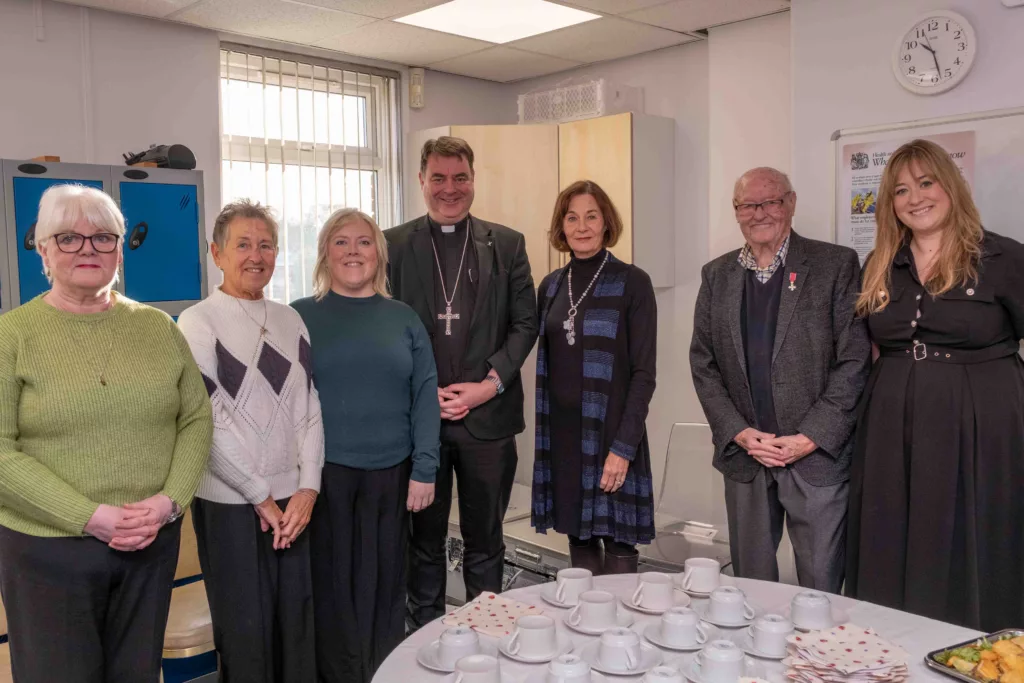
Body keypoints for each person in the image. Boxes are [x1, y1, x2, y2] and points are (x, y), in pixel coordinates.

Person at [0, 184, 212, 683]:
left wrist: (169, 503)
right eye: (68, 238)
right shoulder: (12, 335)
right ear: (43, 251)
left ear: (120, 248)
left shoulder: (159, 327)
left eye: (103, 237)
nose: (88, 249)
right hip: (50, 553)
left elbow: (196, 419)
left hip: (149, 544)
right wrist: (90, 516)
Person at [846, 139, 1024, 630]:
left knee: (970, 531)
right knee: (891, 526)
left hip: (980, 420)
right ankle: (889, 640)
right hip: (891, 420)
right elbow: (872, 346)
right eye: (901, 190)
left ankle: (974, 642)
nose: (915, 198)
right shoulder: (881, 263)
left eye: (926, 183)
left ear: (951, 185)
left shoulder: (1002, 257)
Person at [689, 167, 870, 593]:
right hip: (747, 456)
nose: (759, 213)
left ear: (790, 203)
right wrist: (738, 432)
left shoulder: (835, 265)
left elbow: (855, 360)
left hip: (816, 457)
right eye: (748, 205)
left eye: (770, 202)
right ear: (736, 211)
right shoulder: (717, 275)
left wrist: (810, 437)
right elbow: (703, 363)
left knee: (821, 589)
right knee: (750, 589)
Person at [386, 136, 538, 629]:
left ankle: (485, 638)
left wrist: (488, 385)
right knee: (423, 544)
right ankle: (425, 641)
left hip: (488, 421)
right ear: (421, 180)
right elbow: (381, 328)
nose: (449, 188)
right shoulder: (391, 245)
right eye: (438, 178)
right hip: (419, 424)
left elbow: (525, 324)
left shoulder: (508, 244)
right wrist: (419, 390)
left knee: (485, 543)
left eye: (460, 178)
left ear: (473, 180)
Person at [177, 200, 324, 682]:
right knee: (246, 637)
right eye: (243, 244)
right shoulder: (197, 321)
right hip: (231, 506)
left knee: (296, 631)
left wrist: (308, 488)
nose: (256, 255)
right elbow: (207, 419)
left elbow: (309, 407)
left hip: (293, 505)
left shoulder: (291, 319)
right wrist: (259, 494)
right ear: (217, 253)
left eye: (266, 245)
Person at [292, 208, 440, 681]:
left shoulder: (403, 318)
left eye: (363, 242)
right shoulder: (299, 317)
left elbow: (425, 395)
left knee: (385, 584)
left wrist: (425, 468)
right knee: (333, 586)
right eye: (341, 242)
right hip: (324, 475)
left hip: (392, 474)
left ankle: (383, 671)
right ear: (325, 254)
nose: (353, 252)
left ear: (379, 253)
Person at [530, 180, 657, 574]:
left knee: (618, 547)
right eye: (572, 218)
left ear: (606, 223)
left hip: (613, 437)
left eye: (591, 216)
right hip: (564, 439)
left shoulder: (632, 282)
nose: (581, 226)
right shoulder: (551, 286)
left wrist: (623, 449)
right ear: (561, 226)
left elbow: (644, 374)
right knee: (579, 544)